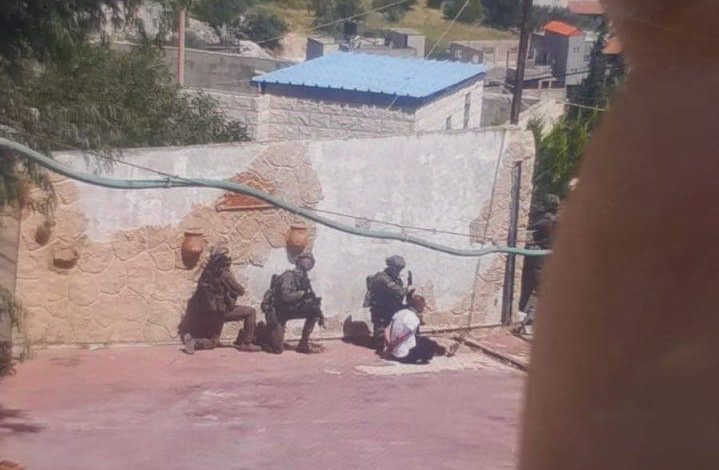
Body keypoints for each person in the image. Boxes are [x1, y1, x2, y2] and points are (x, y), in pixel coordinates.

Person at [180, 247, 261, 354]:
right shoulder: (224, 274)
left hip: (209, 313)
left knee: (213, 341)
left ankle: (194, 342)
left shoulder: (207, 273)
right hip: (221, 312)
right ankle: (246, 343)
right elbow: (240, 290)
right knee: (250, 312)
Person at [265, 253, 325, 354]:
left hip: (290, 309)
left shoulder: (304, 279)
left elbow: (310, 297)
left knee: (314, 312)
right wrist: (302, 294)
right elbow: (285, 297)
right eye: (307, 261)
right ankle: (264, 335)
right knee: (277, 349)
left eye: (311, 262)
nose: (310, 263)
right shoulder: (288, 276)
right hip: (278, 311)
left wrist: (319, 312)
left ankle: (303, 344)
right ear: (299, 262)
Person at [365, 255, 409, 353]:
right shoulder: (383, 278)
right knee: (381, 335)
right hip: (380, 309)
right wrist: (409, 288)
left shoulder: (394, 277)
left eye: (400, 269)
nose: (399, 271)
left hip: (390, 307)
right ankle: (381, 345)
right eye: (397, 269)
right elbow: (398, 291)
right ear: (391, 266)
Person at [384, 293, 442, 364]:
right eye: (423, 306)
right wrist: (392, 346)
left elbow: (386, 329)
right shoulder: (413, 318)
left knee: (422, 339)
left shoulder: (399, 313)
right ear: (419, 306)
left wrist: (388, 343)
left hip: (394, 353)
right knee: (430, 344)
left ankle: (441, 350)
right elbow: (402, 335)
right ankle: (438, 352)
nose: (424, 308)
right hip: (404, 355)